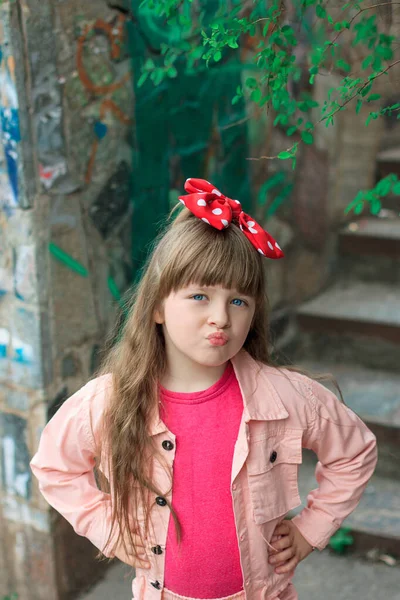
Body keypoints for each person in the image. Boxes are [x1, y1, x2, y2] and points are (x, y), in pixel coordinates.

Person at [30, 178, 378, 600]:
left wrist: (310, 528)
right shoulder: (112, 399)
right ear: (157, 306)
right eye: (199, 296)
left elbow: (354, 450)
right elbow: (53, 464)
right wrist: (107, 527)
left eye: (238, 301)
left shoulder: (285, 397)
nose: (220, 317)